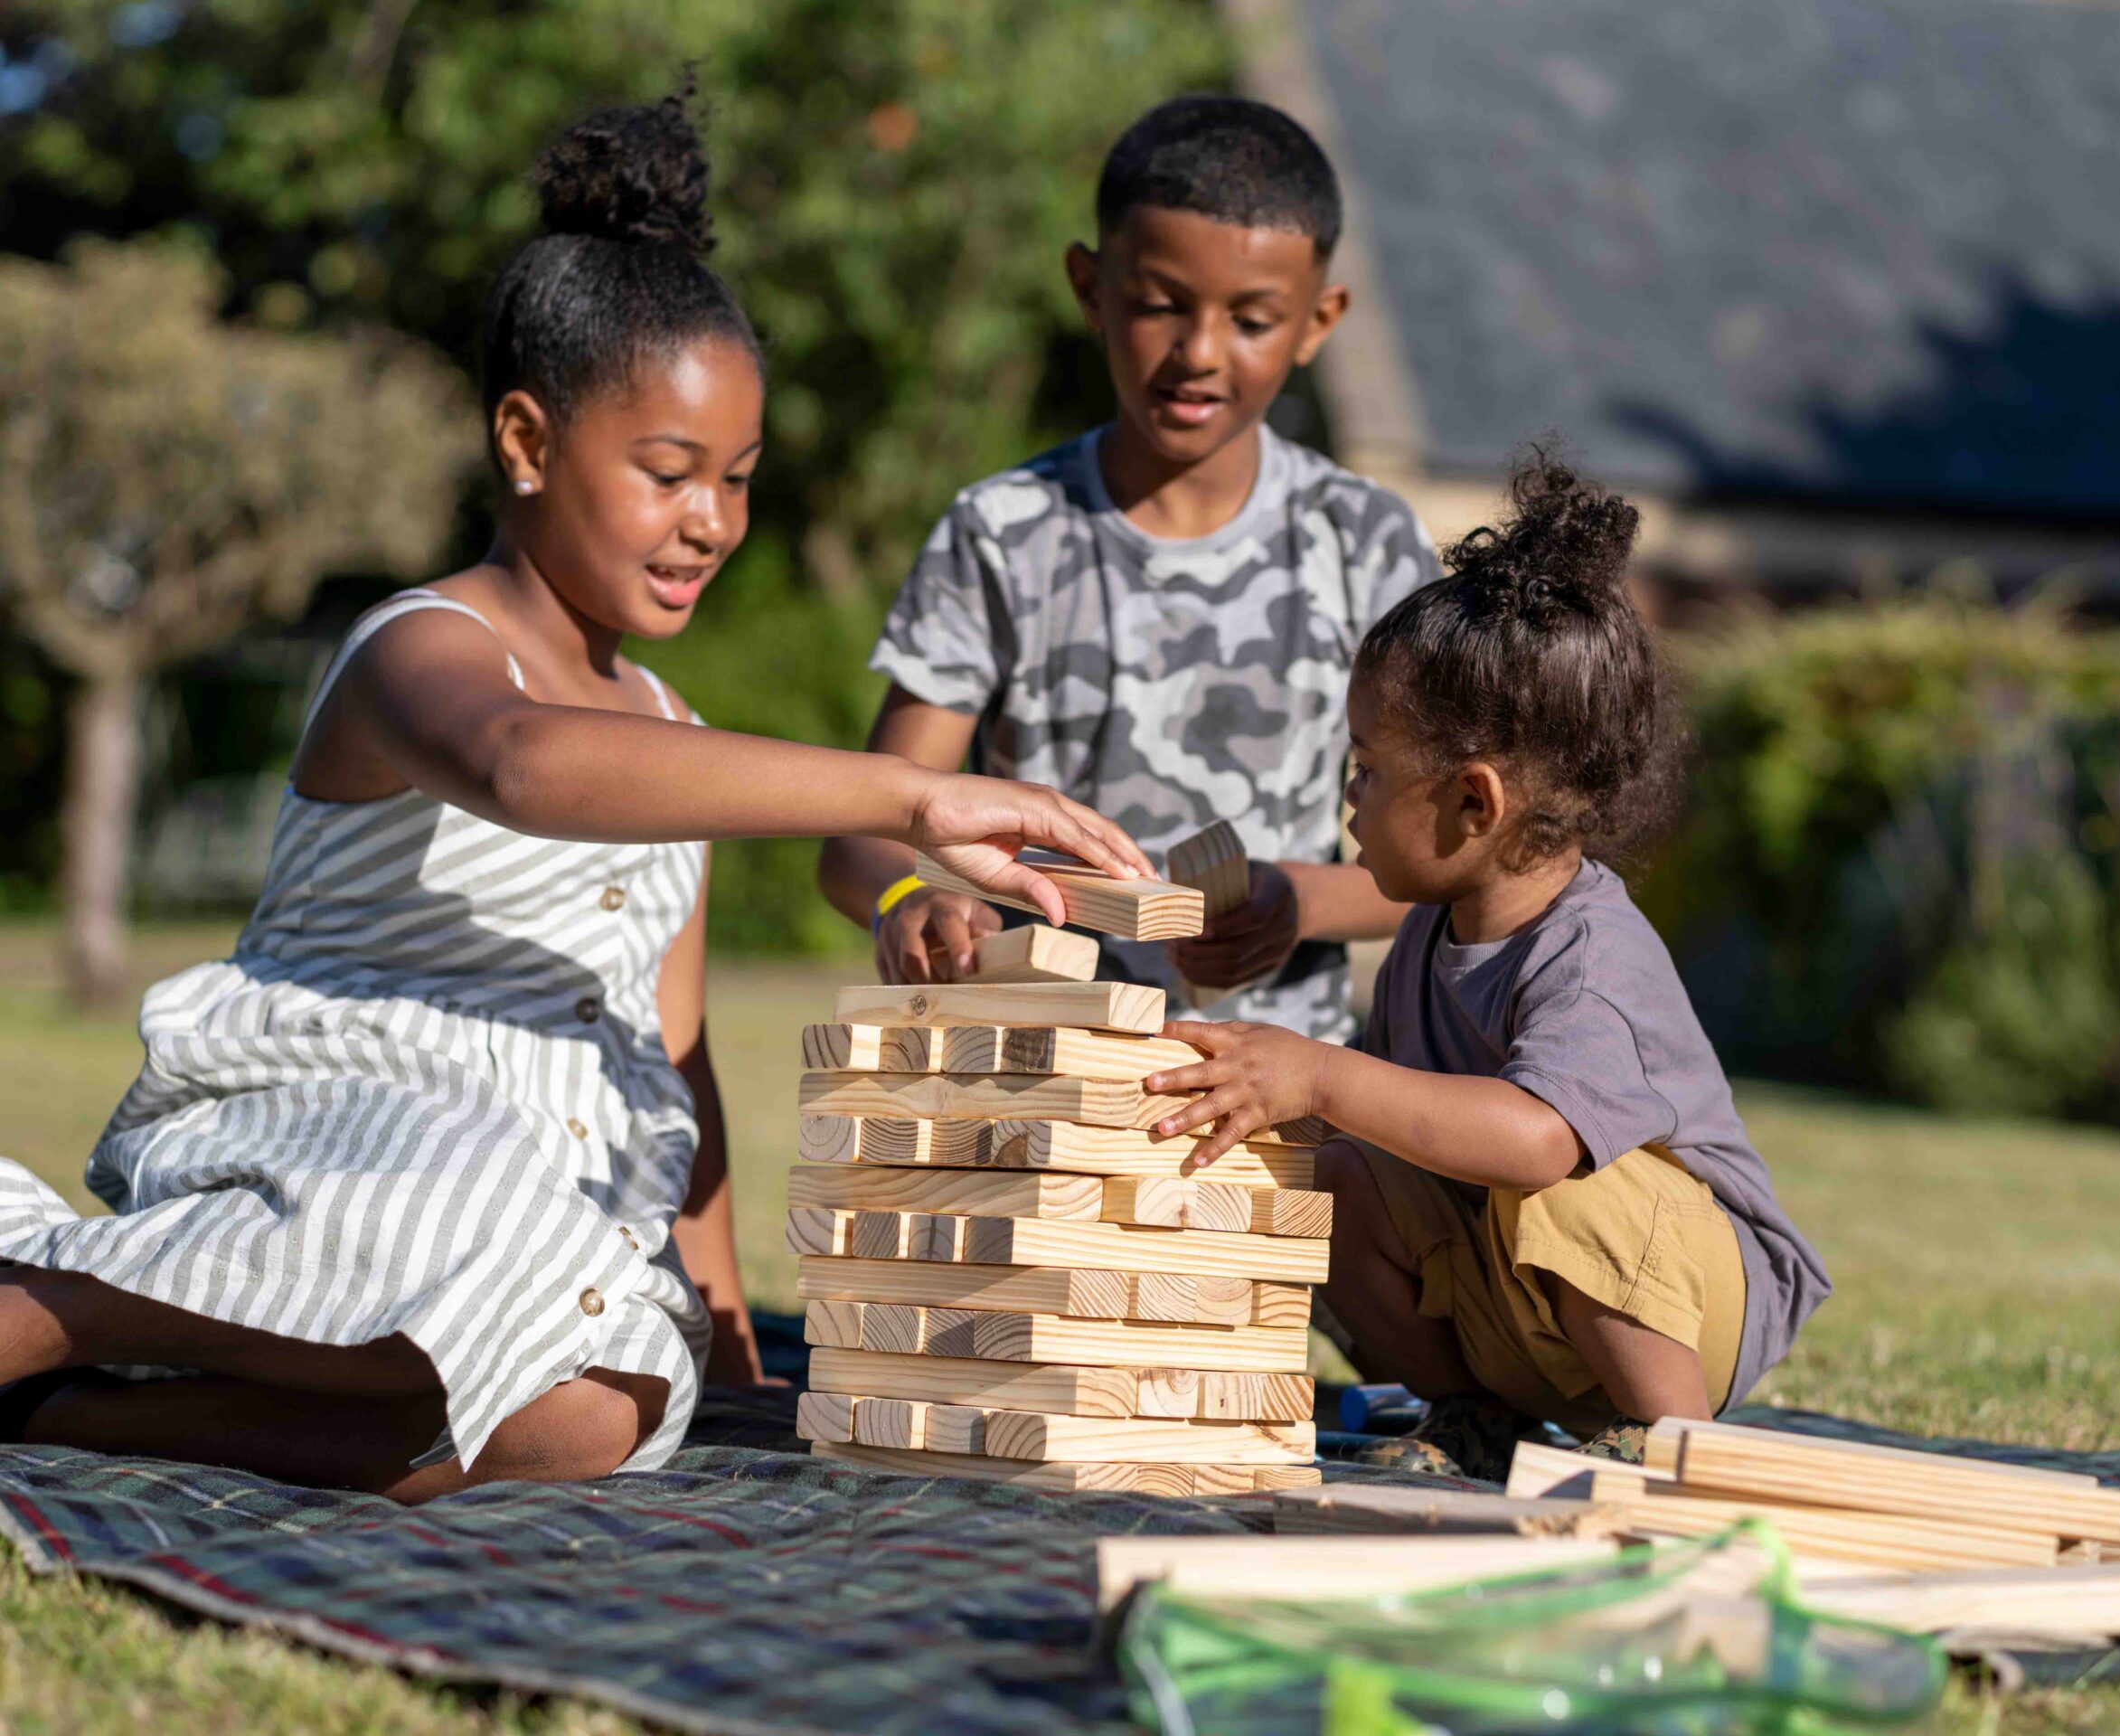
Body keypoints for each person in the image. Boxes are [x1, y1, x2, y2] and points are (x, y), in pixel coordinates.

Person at [0, 90, 1148, 1503]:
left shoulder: (676, 736)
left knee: (610, 1402)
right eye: (668, 473)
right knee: (492, 1227)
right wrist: (915, 799)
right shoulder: (422, 651)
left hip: (543, 1216)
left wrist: (722, 1319)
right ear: (529, 444)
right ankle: (53, 1300)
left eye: (735, 480)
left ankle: (72, 1414)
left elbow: (671, 1061)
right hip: (341, 1140)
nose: (712, 523)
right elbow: (527, 767)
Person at [1143, 449, 1832, 1478]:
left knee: (1564, 1181)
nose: (1350, 801)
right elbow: (1354, 917)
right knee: (1330, 1180)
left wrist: (1319, 1071)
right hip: (1524, 1311)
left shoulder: (1589, 957)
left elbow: (1538, 1142)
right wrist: (1265, 949)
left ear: (1474, 805)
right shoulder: (1444, 904)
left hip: (1693, 1309)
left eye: (1368, 770)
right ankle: (1470, 1418)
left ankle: (1673, 1448)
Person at [819, 94, 1439, 1042]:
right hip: (1038, 1091)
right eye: (1159, 305)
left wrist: (1297, 902)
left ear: (1319, 321)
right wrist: (908, 894)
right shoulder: (1004, 531)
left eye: (1253, 319)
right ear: (1087, 288)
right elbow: (864, 825)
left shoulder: (1367, 543)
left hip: (1285, 1108)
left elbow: (1458, 851)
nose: (1198, 353)